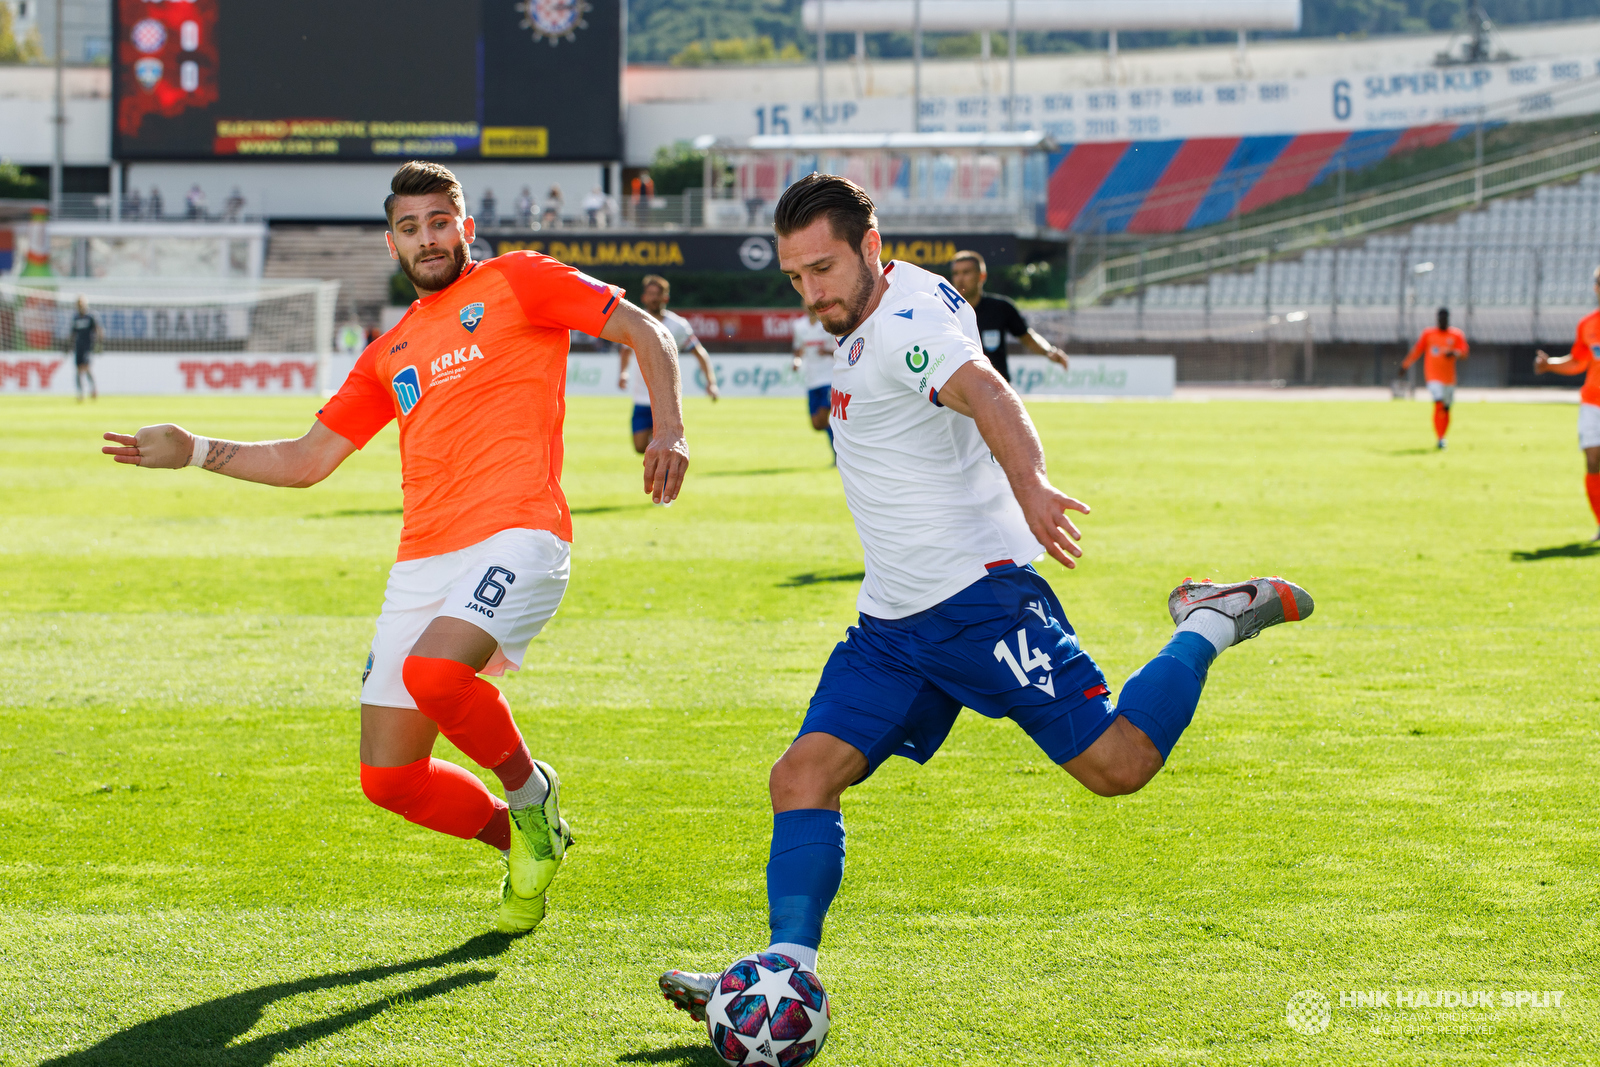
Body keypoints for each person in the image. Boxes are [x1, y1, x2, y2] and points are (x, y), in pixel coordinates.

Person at [658, 174, 1314, 1027]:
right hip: (894, 622)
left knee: (1118, 766)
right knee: (802, 776)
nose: (810, 292)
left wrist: (1032, 484)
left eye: (822, 268)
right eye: (794, 277)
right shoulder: (887, 302)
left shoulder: (907, 324)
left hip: (979, 602)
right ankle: (781, 973)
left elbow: (986, 390)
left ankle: (1208, 620)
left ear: (869, 244)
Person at [101, 161, 691, 935]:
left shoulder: (520, 280)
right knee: (389, 778)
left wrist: (671, 427)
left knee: (437, 672)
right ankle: (521, 836)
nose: (428, 238)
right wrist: (196, 449)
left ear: (465, 226)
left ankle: (530, 791)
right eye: (411, 228)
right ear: (392, 243)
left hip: (520, 530)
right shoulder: (391, 350)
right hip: (423, 560)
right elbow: (307, 459)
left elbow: (641, 328)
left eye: (440, 222)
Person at [1535, 267, 1600, 540]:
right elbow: (1579, 362)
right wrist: (1550, 364)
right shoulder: (1588, 325)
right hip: (1592, 403)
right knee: (1593, 460)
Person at [620, 274, 718, 454]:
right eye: (650, 293)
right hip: (642, 397)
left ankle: (663, 476)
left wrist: (710, 382)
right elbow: (625, 351)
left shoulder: (678, 326)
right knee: (640, 446)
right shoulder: (636, 322)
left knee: (666, 446)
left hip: (666, 399)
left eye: (657, 294)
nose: (654, 298)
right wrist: (623, 373)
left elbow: (700, 353)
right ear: (644, 297)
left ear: (666, 297)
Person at [948, 250, 1069, 383]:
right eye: (956, 273)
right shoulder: (946, 312)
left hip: (996, 388)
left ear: (982, 276)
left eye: (966, 272)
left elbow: (1027, 337)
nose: (960, 279)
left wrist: (1049, 351)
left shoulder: (1001, 308)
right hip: (961, 389)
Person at [1402, 307, 1469, 449]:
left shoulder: (1456, 335)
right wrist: (1405, 365)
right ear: (1436, 319)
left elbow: (1464, 352)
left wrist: (1455, 353)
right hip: (1433, 377)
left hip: (1449, 379)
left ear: (1448, 320)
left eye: (1444, 319)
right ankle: (1440, 439)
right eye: (1440, 319)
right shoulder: (1428, 334)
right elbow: (1417, 350)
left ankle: (1442, 436)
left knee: (1446, 408)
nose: (1442, 321)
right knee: (1438, 403)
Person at [790, 305, 834, 460]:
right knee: (817, 424)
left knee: (826, 417)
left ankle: (839, 454)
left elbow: (841, 350)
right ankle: (840, 441)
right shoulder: (799, 326)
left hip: (828, 378)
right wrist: (796, 362)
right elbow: (798, 350)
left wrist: (827, 352)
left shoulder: (828, 323)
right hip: (811, 380)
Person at [65, 295, 98, 402]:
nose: (79, 306)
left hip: (88, 347)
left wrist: (99, 344)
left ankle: (93, 389)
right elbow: (72, 333)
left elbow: (98, 330)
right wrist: (68, 346)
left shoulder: (91, 316)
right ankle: (80, 393)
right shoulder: (75, 318)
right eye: (78, 304)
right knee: (78, 370)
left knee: (86, 368)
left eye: (81, 303)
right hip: (78, 347)